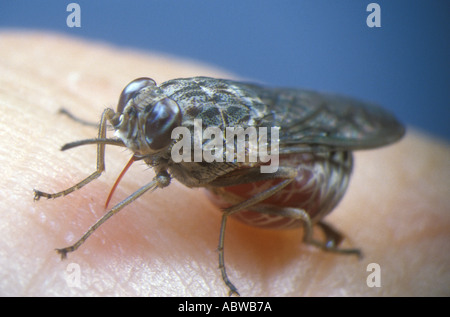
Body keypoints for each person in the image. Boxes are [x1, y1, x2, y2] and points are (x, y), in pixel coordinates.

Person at [1, 32, 448, 296]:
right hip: (264, 115)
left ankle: (308, 237)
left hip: (314, 162)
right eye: (136, 98)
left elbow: (283, 167)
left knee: (276, 172)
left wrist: (81, 240)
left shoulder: (206, 141)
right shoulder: (164, 114)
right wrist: (96, 171)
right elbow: (119, 119)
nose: (128, 119)